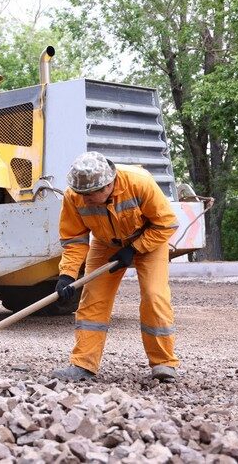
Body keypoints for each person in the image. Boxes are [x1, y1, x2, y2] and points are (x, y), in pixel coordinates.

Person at [52, 152, 180, 382]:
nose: (86, 199)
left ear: (109, 184)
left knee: (154, 296)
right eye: (82, 194)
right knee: (93, 299)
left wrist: (135, 248)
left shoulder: (139, 182)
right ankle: (83, 364)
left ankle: (164, 364)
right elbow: (74, 240)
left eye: (91, 194)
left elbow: (166, 223)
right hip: (106, 243)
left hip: (150, 239)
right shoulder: (75, 195)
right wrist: (67, 275)